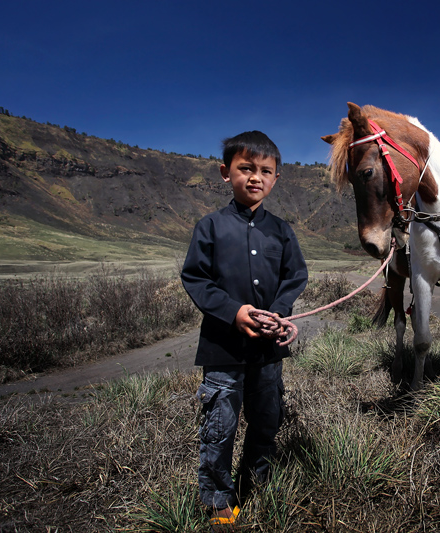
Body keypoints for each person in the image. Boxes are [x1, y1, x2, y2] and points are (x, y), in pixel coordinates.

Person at [181, 130, 307, 528]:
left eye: (265, 171)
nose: (255, 177)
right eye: (246, 168)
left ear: (276, 178)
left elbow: (295, 276)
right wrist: (234, 312)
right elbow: (196, 279)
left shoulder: (282, 231)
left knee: (267, 418)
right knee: (221, 424)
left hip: (268, 351)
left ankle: (258, 484)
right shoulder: (211, 227)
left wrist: (281, 312)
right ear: (225, 172)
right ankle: (217, 497)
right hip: (223, 348)